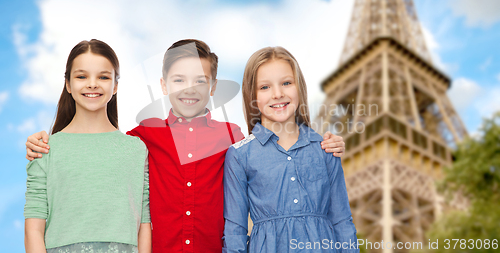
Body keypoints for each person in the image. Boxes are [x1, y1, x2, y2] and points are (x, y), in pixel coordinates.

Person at [25, 39, 346, 253]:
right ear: (163, 85)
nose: (188, 89)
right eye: (178, 80)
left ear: (214, 87)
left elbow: (274, 155)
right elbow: (98, 151)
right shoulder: (140, 138)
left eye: (200, 80)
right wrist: (44, 143)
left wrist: (323, 142)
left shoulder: (234, 137)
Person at [222, 47, 358, 253]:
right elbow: (235, 231)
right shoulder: (239, 155)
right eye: (265, 87)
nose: (278, 94)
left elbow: (342, 222)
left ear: (299, 87)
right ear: (252, 95)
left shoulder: (326, 148)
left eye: (286, 83)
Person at [24, 39, 151, 253]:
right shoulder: (45, 148)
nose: (92, 84)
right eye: (82, 76)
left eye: (103, 76)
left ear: (116, 85)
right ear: (68, 84)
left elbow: (144, 224)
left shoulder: (136, 149)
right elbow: (33, 230)